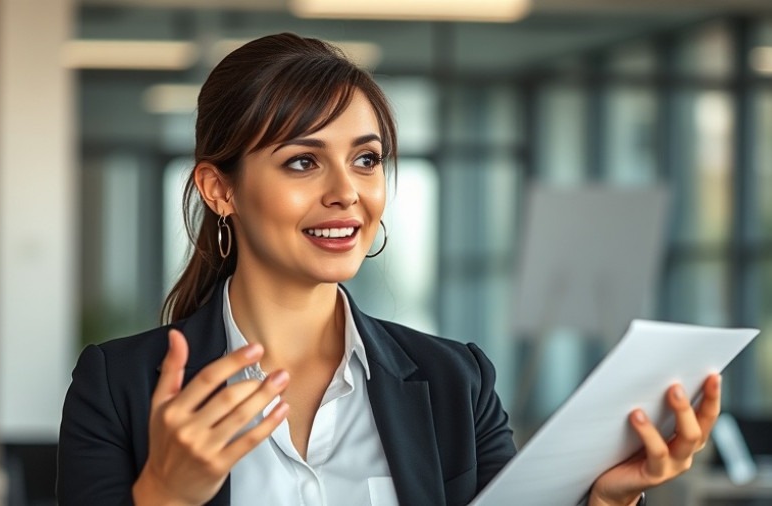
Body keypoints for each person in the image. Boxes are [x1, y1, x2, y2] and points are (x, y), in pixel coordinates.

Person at [57, 33, 721, 506]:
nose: (347, 190)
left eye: (366, 159)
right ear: (218, 189)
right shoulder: (118, 387)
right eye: (301, 161)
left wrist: (603, 502)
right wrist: (166, 496)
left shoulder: (453, 380)